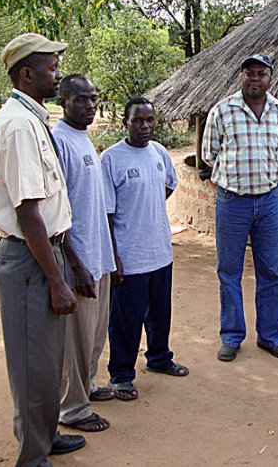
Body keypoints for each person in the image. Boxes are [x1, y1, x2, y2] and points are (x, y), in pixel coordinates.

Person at [0, 33, 86, 466]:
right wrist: (57, 280)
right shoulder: (18, 126)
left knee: (47, 359)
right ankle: (32, 455)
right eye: (50, 67)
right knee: (31, 363)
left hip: (45, 253)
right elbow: (28, 214)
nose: (57, 73)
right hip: (30, 259)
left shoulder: (32, 120)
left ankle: (45, 434)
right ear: (26, 74)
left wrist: (69, 260)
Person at [202, 54, 278, 362]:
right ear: (242, 77)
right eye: (250, 73)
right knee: (229, 271)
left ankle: (269, 336)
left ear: (270, 78)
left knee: (272, 271)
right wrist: (234, 179)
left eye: (261, 74)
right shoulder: (223, 110)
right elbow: (209, 153)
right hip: (232, 202)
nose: (255, 79)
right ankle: (231, 336)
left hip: (269, 202)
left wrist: (267, 180)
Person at [102, 97, 189, 401]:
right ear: (124, 123)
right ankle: (121, 375)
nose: (145, 126)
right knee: (126, 319)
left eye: (149, 120)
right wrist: (114, 256)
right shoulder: (112, 159)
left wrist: (146, 212)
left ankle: (159, 358)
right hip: (130, 256)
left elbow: (167, 186)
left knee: (160, 312)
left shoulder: (159, 153)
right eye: (138, 120)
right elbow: (107, 213)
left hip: (160, 251)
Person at [52, 75, 116, 432]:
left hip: (98, 256)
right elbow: (55, 212)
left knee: (94, 332)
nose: (90, 105)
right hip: (79, 260)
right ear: (64, 101)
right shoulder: (60, 142)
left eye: (93, 98)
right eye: (82, 99)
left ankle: (88, 385)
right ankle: (72, 408)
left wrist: (107, 258)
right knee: (75, 339)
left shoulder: (83, 139)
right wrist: (74, 263)